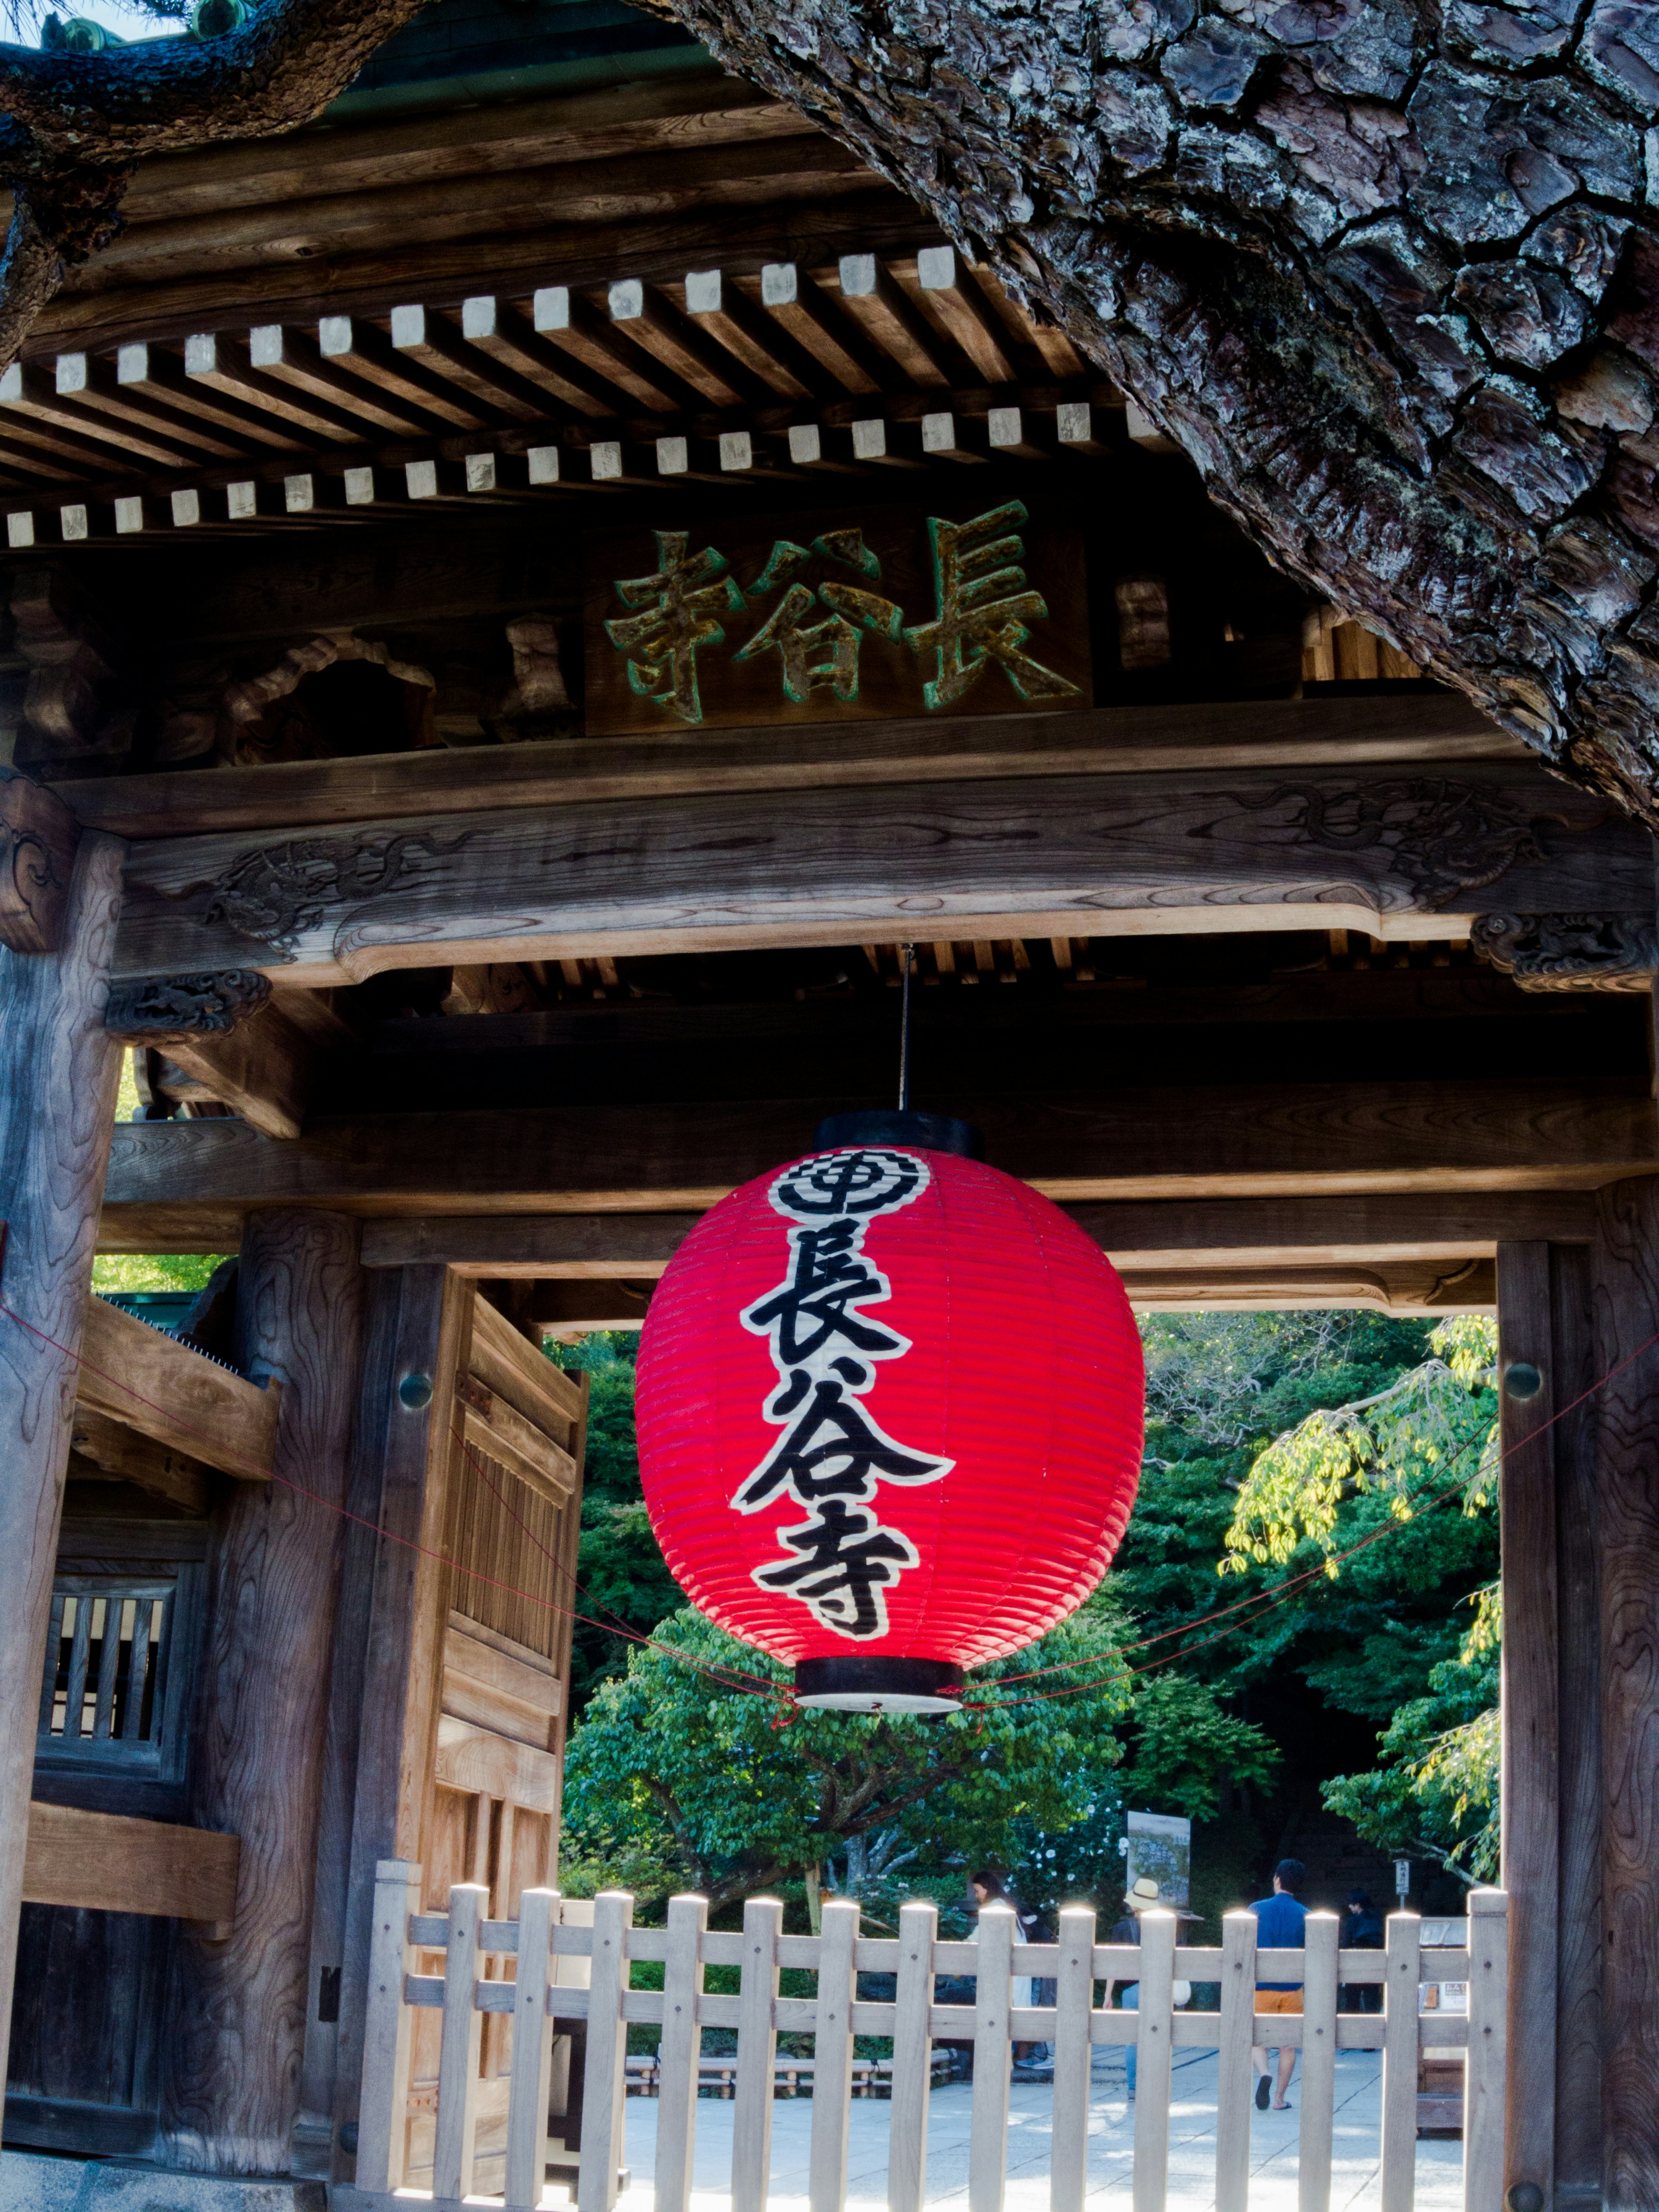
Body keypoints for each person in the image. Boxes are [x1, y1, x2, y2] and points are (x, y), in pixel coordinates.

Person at [1250, 1859, 1308, 2111]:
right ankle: (1279, 2099)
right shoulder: (1306, 1915)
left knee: (1257, 2040)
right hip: (1293, 1989)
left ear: (1277, 1879)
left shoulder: (1256, 1909)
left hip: (1262, 1987)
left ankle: (1264, 2072)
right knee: (1288, 2045)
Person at [1108, 1875, 1162, 2099]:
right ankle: (1155, 2083)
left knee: (1133, 2039)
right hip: (1157, 1987)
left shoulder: (1122, 1928)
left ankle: (1133, 2087)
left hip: (1131, 1990)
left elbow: (1114, 1963)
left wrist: (1108, 1995)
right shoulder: (1164, 1927)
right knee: (1157, 2034)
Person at [1341, 1888, 1384, 2014]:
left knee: (1352, 2004)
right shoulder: (1379, 1919)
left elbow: (1346, 1945)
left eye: (1351, 1904)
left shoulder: (1352, 1922)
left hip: (1355, 1967)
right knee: (1372, 2005)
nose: (1349, 1906)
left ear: (1358, 1905)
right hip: (1375, 1966)